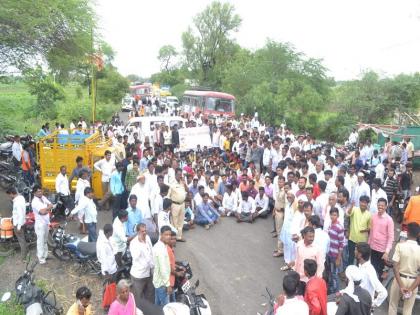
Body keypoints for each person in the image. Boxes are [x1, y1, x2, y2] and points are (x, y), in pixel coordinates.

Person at [388, 222, 420, 315]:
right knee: (407, 310)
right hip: (413, 281)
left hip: (399, 279)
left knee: (393, 305)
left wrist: (401, 285)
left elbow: (395, 266)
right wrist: (411, 289)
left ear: (407, 233)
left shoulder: (400, 246)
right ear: (418, 234)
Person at [354, 242, 387, 308]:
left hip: (363, 307)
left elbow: (384, 293)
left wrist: (372, 304)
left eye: (355, 250)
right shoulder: (361, 266)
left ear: (360, 254)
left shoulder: (369, 270)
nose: (354, 251)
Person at [368, 197, 394, 279]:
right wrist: (369, 244)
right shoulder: (373, 217)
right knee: (372, 268)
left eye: (382, 206)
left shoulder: (389, 220)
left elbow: (391, 237)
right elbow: (371, 232)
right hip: (373, 248)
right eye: (379, 205)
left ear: (386, 207)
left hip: (382, 250)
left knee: (379, 270)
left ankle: (378, 288)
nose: (380, 207)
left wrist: (387, 252)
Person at [130, 223, 154, 305]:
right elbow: (135, 257)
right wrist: (141, 244)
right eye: (142, 231)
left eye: (145, 231)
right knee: (138, 297)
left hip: (149, 272)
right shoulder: (134, 243)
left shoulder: (147, 238)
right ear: (137, 232)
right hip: (139, 275)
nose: (144, 233)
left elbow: (151, 251)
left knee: (150, 294)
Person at [347, 195, 371, 266]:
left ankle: (358, 272)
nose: (363, 204)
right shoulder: (354, 209)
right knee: (351, 257)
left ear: (367, 204)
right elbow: (348, 214)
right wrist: (351, 206)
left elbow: (369, 227)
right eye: (362, 202)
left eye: (365, 203)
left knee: (360, 258)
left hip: (362, 241)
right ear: (359, 202)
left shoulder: (369, 214)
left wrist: (366, 230)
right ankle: (349, 272)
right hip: (352, 238)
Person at [31, 185, 53, 264]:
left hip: (46, 223)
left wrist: (46, 209)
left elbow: (51, 204)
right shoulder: (35, 202)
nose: (40, 193)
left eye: (41, 191)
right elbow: (42, 212)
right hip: (40, 224)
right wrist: (48, 209)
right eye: (38, 191)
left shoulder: (43, 197)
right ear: (34, 193)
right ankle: (41, 258)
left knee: (45, 241)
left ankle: (45, 255)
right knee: (40, 241)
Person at [326, 208, 344, 294]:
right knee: (329, 272)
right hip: (329, 253)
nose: (333, 216)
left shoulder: (339, 227)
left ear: (338, 216)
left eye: (335, 215)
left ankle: (336, 292)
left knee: (334, 274)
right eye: (331, 214)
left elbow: (341, 244)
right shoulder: (330, 224)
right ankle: (331, 289)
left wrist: (338, 258)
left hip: (335, 255)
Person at [153, 226, 172, 306]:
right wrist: (168, 285)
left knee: (157, 305)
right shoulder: (160, 249)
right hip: (162, 284)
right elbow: (163, 269)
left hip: (158, 281)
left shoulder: (161, 245)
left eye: (169, 235)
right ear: (161, 235)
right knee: (167, 307)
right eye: (166, 235)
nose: (168, 237)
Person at [6, 187, 27, 260]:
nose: (9, 196)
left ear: (12, 194)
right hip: (22, 221)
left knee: (21, 240)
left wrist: (18, 227)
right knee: (22, 239)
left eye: (9, 195)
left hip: (18, 224)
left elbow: (20, 215)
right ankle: (24, 254)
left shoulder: (17, 203)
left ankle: (23, 257)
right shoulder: (21, 198)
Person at [168, 168, 187, 242]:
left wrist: (185, 184)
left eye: (180, 174)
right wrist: (169, 206)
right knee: (174, 222)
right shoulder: (172, 184)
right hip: (174, 204)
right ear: (175, 174)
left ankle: (179, 236)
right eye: (178, 174)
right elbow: (168, 196)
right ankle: (173, 237)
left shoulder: (182, 183)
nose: (180, 176)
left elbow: (187, 191)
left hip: (182, 204)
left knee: (181, 221)